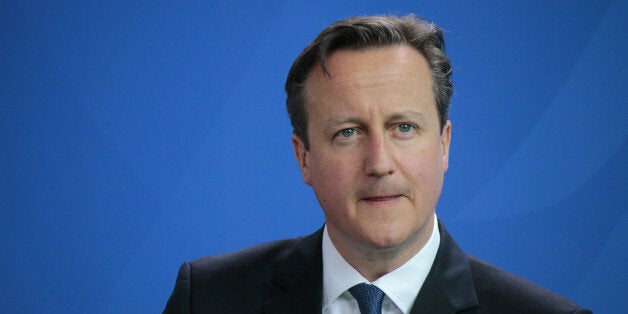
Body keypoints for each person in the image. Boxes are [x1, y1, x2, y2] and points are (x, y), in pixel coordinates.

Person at [163, 15, 591, 314]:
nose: (379, 163)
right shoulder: (207, 298)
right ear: (303, 157)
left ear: (443, 145)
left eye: (403, 127)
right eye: (347, 132)